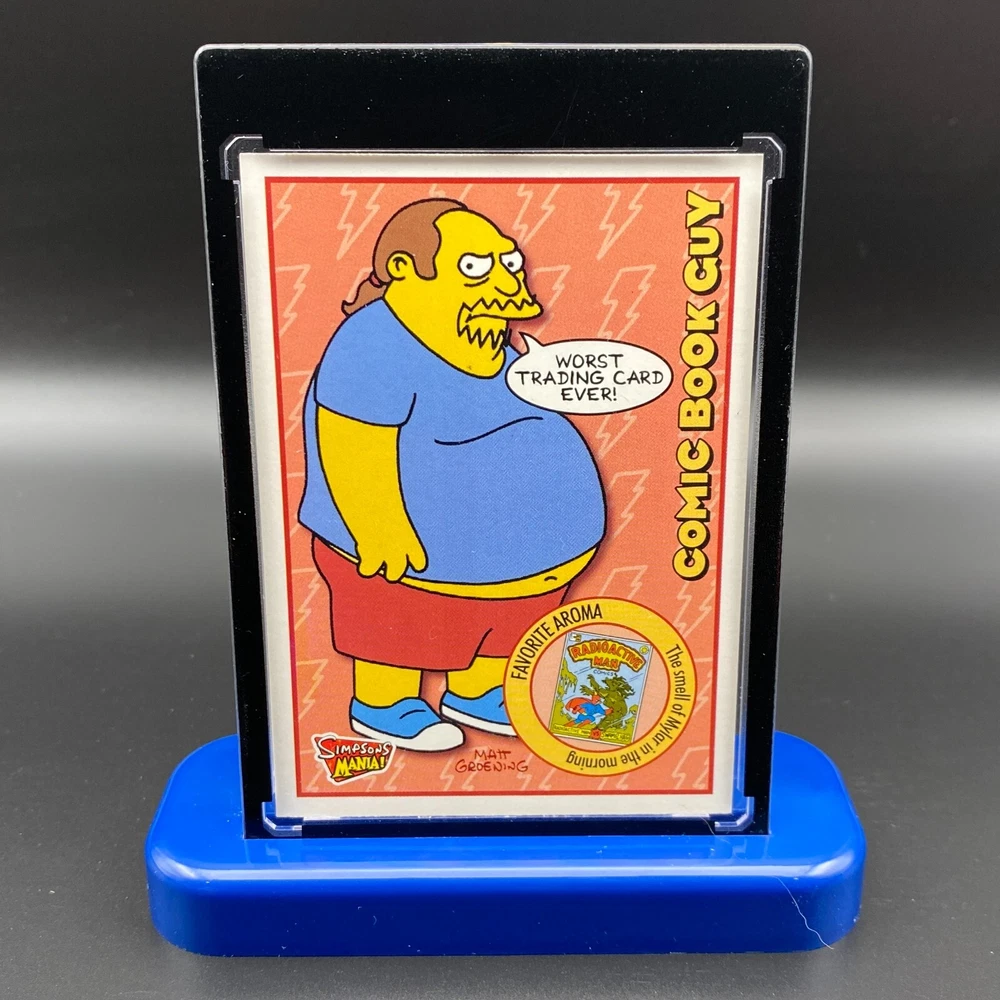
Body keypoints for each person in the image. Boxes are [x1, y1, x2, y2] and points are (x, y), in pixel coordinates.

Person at [299, 198, 606, 750]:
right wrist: (379, 528)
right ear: (404, 269)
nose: (505, 280)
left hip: (524, 570)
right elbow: (351, 439)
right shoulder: (372, 343)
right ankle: (385, 703)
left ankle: (478, 693)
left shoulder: (479, 336)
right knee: (398, 631)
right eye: (474, 266)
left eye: (508, 262)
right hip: (402, 561)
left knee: (498, 630)